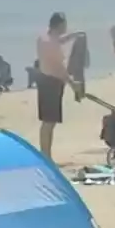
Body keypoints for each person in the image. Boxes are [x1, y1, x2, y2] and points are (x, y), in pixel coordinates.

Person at [35, 12, 86, 159]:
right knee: (49, 122)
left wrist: (73, 35)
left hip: (45, 79)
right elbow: (59, 68)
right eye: (64, 25)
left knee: (48, 121)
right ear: (59, 25)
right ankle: (46, 155)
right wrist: (72, 84)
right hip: (52, 82)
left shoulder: (45, 37)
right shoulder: (52, 44)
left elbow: (58, 40)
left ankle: (45, 154)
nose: (66, 27)